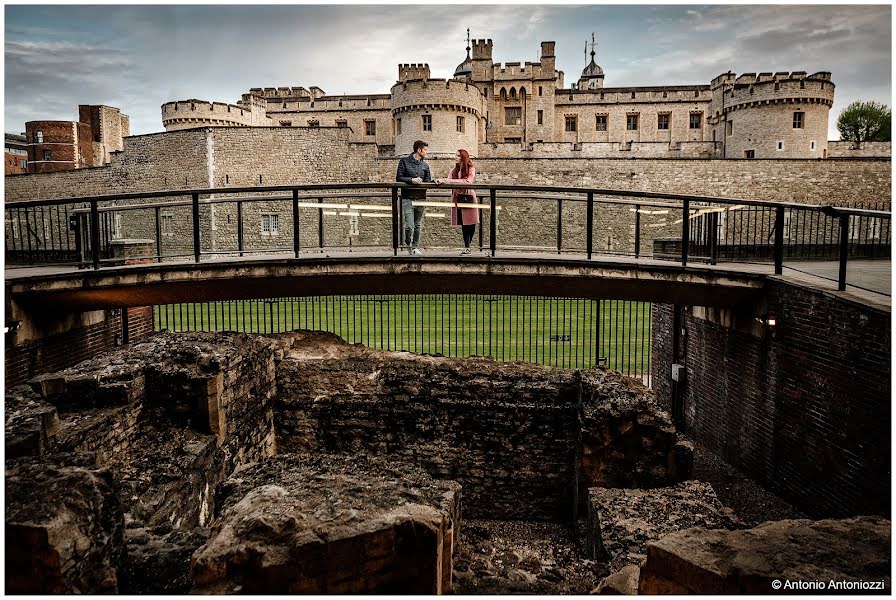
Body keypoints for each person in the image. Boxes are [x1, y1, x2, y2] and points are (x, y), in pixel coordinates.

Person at [436, 149, 479, 255]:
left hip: (469, 198)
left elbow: (468, 181)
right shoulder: (453, 171)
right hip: (458, 198)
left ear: (463, 158)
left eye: (458, 156)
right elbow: (447, 180)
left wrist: (449, 181)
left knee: (472, 223)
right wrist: (440, 181)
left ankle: (468, 246)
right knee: (464, 223)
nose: (455, 157)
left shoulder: (471, 169)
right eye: (456, 155)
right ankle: (467, 247)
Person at [395, 140, 433, 255]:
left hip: (421, 198)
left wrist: (433, 182)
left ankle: (415, 246)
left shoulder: (425, 165)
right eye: (425, 149)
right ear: (419, 150)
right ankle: (408, 244)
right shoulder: (404, 161)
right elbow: (399, 177)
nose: (426, 152)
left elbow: (427, 181)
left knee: (417, 224)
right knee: (409, 226)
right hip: (407, 198)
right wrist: (411, 180)